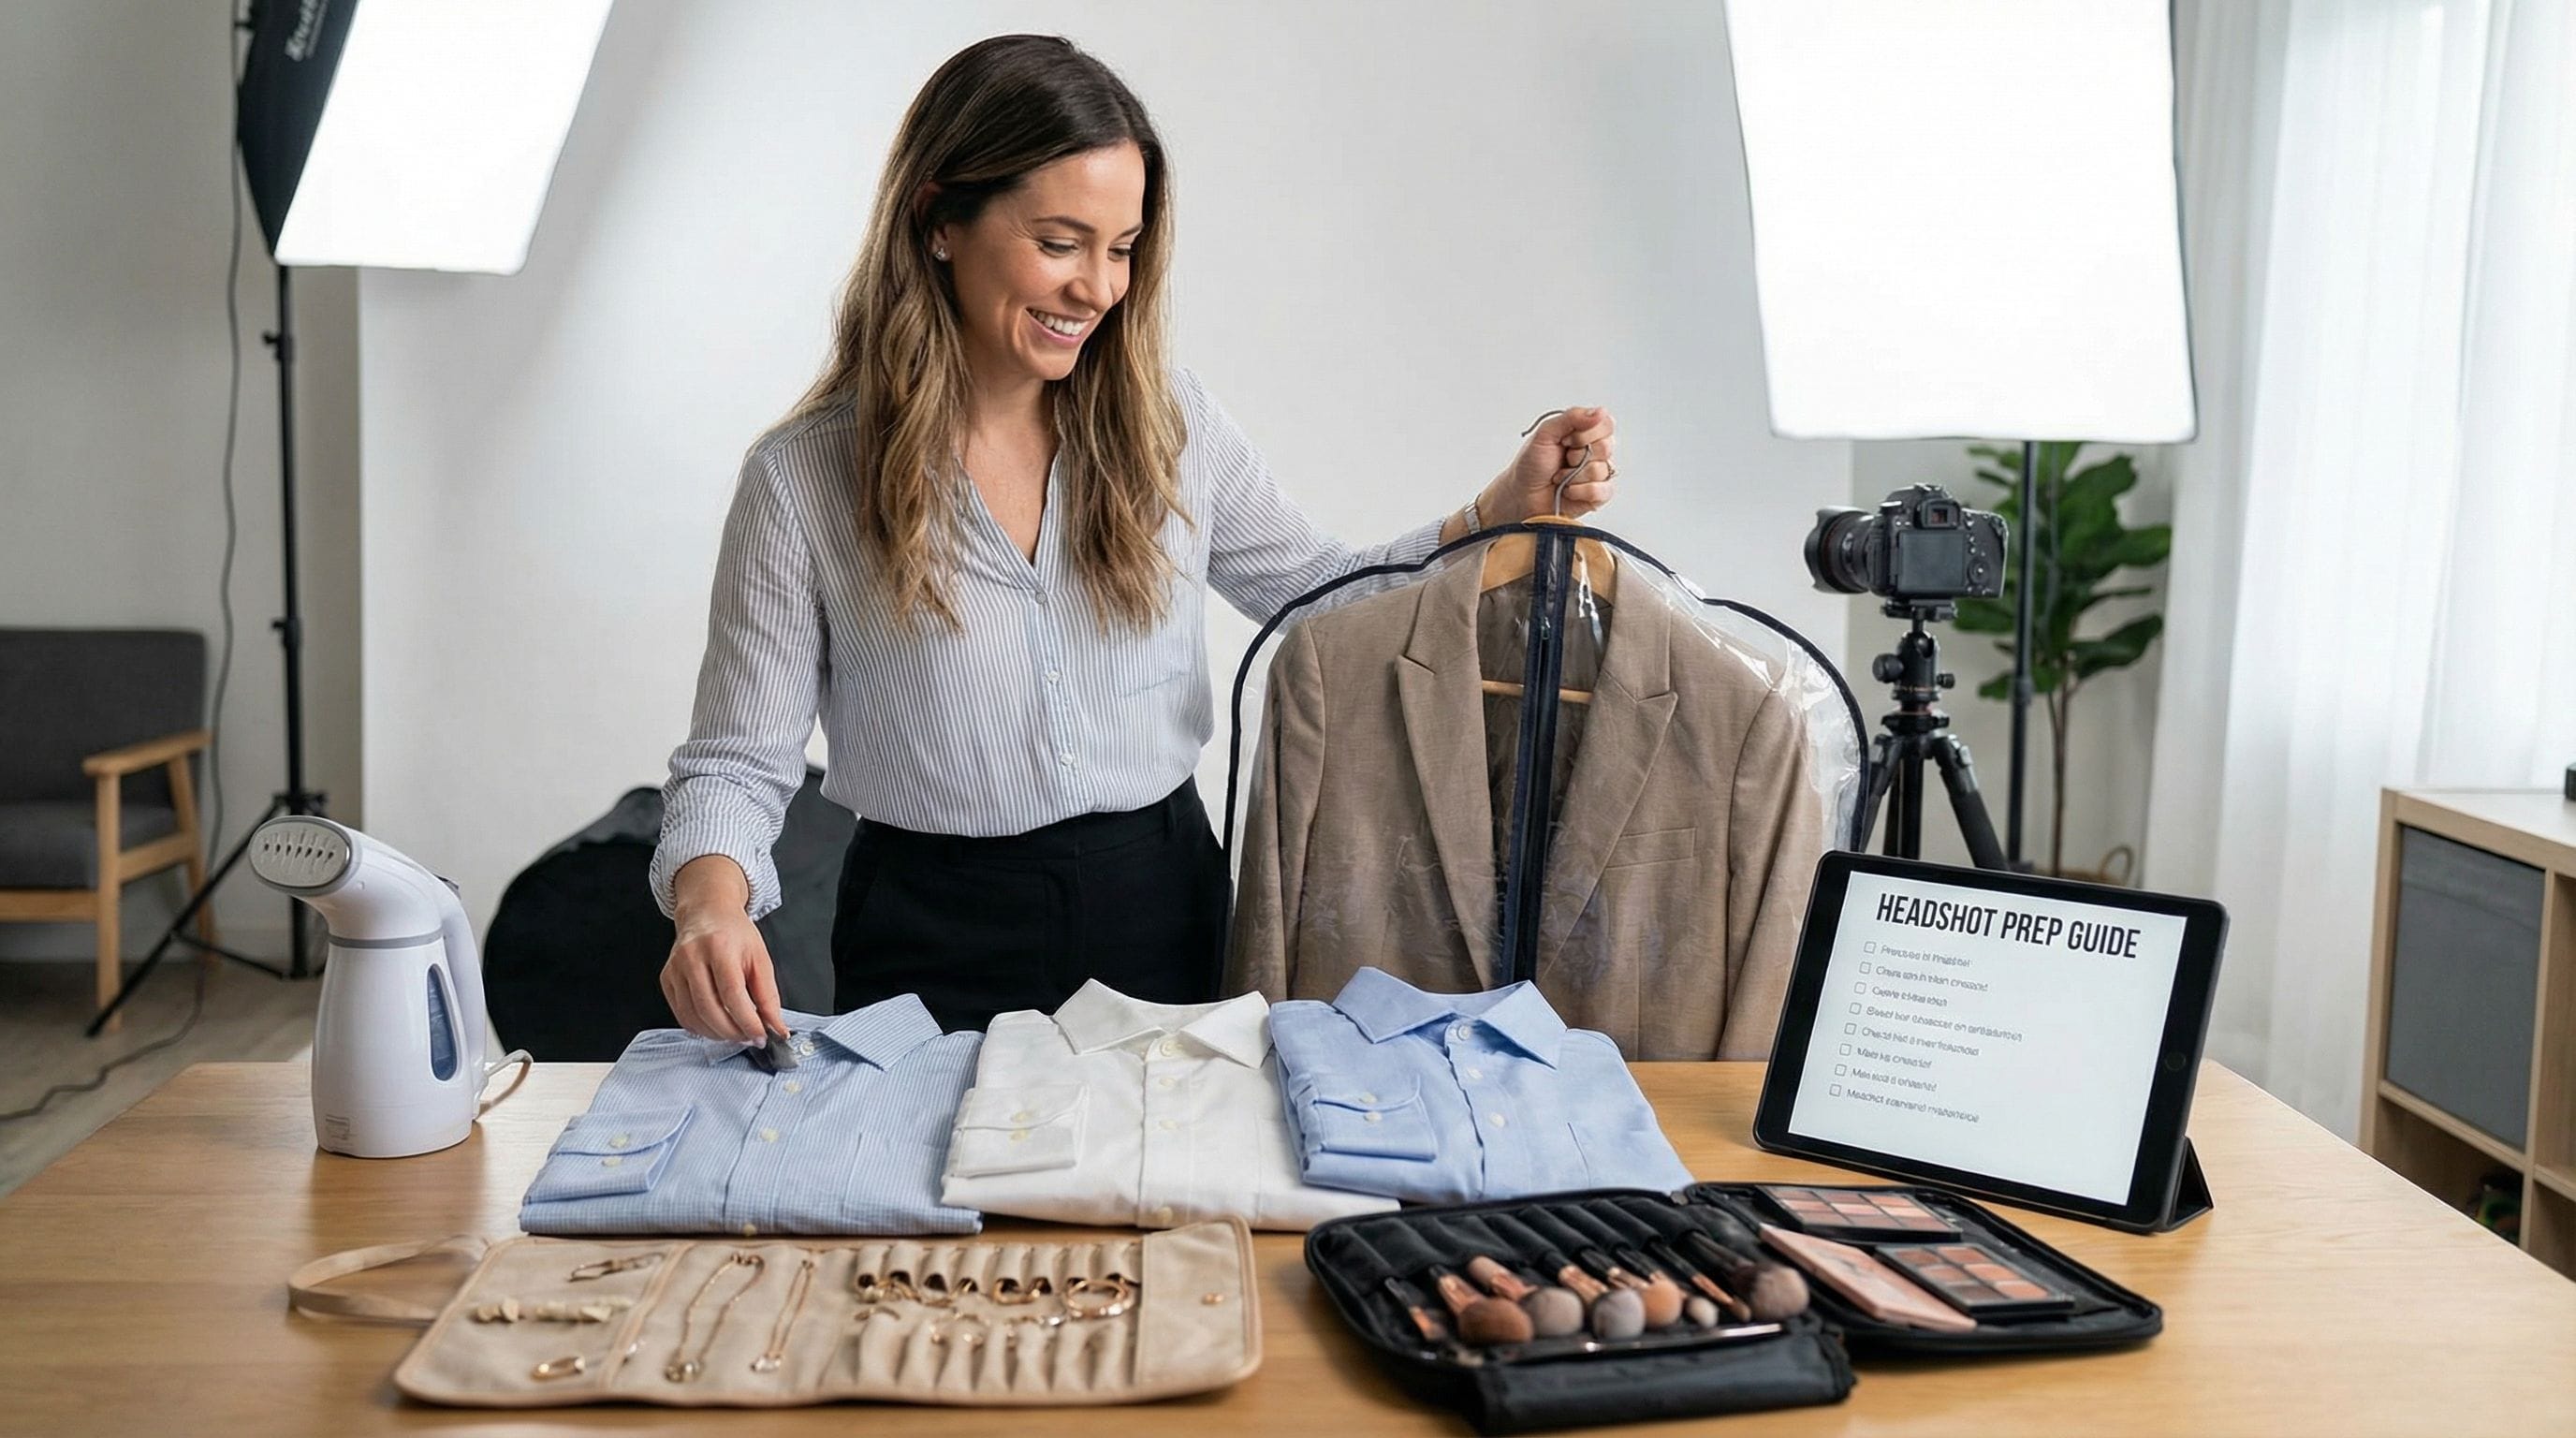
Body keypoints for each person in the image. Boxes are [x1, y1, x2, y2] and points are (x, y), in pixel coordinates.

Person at [651, 34, 1617, 1042]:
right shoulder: (801, 479)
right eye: (1060, 243)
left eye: (1122, 250)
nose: (1099, 289)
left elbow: (1320, 596)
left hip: (1163, 907)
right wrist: (711, 907)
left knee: (1169, 1203)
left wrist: (1499, 510)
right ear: (939, 219)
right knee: (946, 1197)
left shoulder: (1172, 425)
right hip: (926, 936)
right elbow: (735, 762)